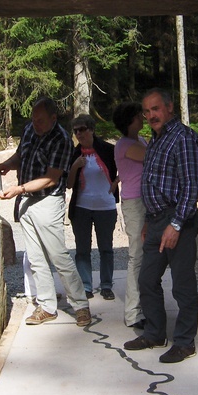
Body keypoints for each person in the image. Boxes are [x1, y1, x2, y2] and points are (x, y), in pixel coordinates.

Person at [0, 97, 91, 327]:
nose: (35, 124)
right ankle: (47, 306)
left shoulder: (61, 139)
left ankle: (80, 305)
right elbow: (21, 155)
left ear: (53, 118)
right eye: (33, 119)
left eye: (40, 120)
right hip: (27, 201)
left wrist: (19, 189)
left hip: (48, 201)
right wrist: (8, 164)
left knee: (58, 256)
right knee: (36, 258)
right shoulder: (30, 129)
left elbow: (51, 178)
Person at [124, 88, 198, 363]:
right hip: (156, 220)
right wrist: (150, 220)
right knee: (147, 279)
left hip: (178, 219)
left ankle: (185, 343)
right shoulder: (157, 139)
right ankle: (155, 333)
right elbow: (153, 181)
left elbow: (191, 187)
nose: (150, 116)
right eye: (146, 112)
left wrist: (176, 224)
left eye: (155, 109)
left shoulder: (183, 137)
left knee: (182, 284)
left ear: (169, 107)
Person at [67, 114, 119, 301]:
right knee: (82, 250)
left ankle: (106, 285)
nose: (78, 134)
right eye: (75, 131)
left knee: (106, 248)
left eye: (82, 129)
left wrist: (116, 182)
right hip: (81, 207)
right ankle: (86, 286)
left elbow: (127, 167)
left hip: (105, 207)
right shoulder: (74, 154)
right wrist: (75, 166)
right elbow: (68, 184)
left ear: (92, 129)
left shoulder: (107, 149)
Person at [112, 102, 148, 329]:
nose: (142, 117)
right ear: (130, 121)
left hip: (145, 202)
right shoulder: (125, 144)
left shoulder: (140, 140)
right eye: (138, 115)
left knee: (146, 255)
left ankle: (143, 306)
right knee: (137, 255)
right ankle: (133, 313)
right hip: (135, 204)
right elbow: (155, 156)